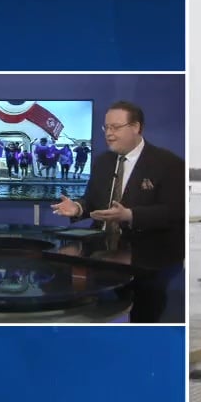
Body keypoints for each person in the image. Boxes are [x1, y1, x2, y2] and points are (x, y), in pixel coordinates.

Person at [50, 100, 185, 323]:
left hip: (150, 255)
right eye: (106, 128)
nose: (109, 134)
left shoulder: (168, 164)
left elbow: (173, 212)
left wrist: (130, 216)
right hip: (103, 252)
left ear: (136, 127)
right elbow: (93, 202)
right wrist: (78, 208)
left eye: (116, 127)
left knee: (145, 313)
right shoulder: (103, 162)